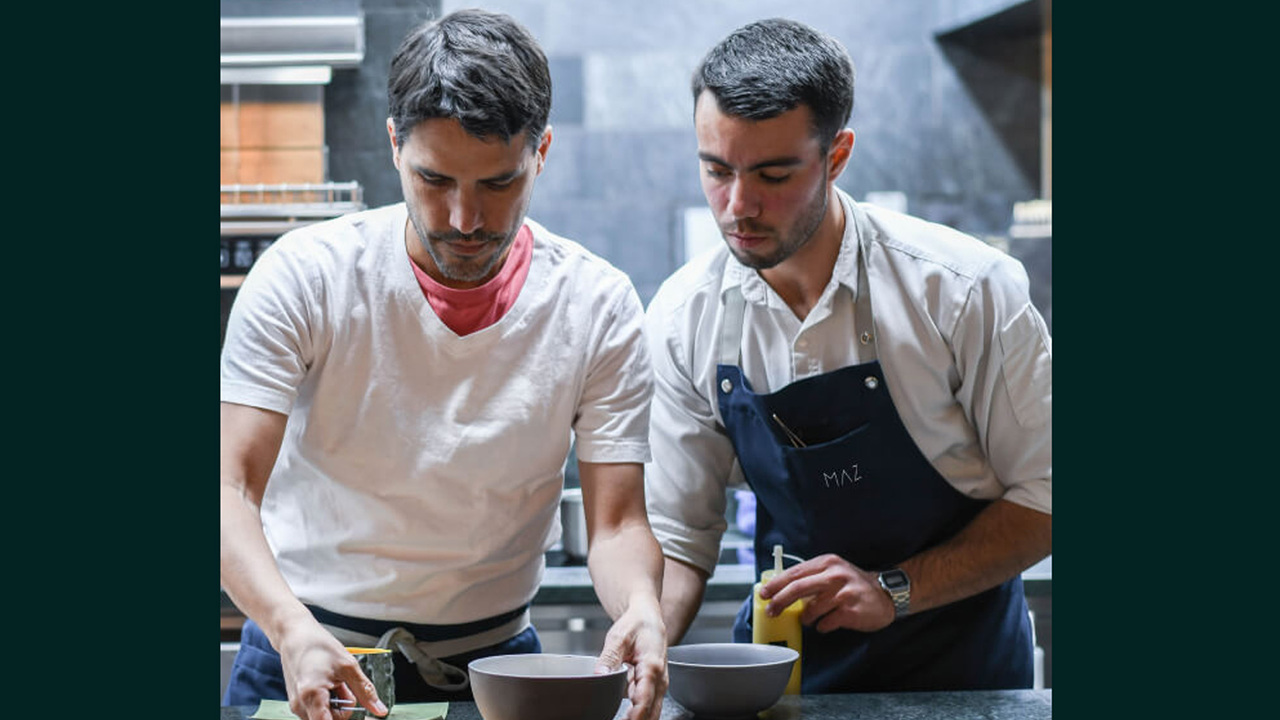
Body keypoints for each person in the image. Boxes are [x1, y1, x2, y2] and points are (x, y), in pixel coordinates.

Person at [220, 10, 666, 720]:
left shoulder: (595, 303)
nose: (464, 218)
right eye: (434, 179)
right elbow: (228, 490)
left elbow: (615, 525)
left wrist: (642, 606)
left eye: (497, 183)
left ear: (541, 152)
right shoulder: (306, 279)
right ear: (394, 145)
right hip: (306, 657)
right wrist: (287, 626)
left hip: (497, 676)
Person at [644, 18, 1052, 693]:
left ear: (837, 156)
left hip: (965, 677)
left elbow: (1048, 495)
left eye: (773, 174)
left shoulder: (961, 292)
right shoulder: (687, 316)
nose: (737, 206)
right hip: (784, 681)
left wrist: (892, 589)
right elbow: (682, 539)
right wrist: (646, 637)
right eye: (716, 170)